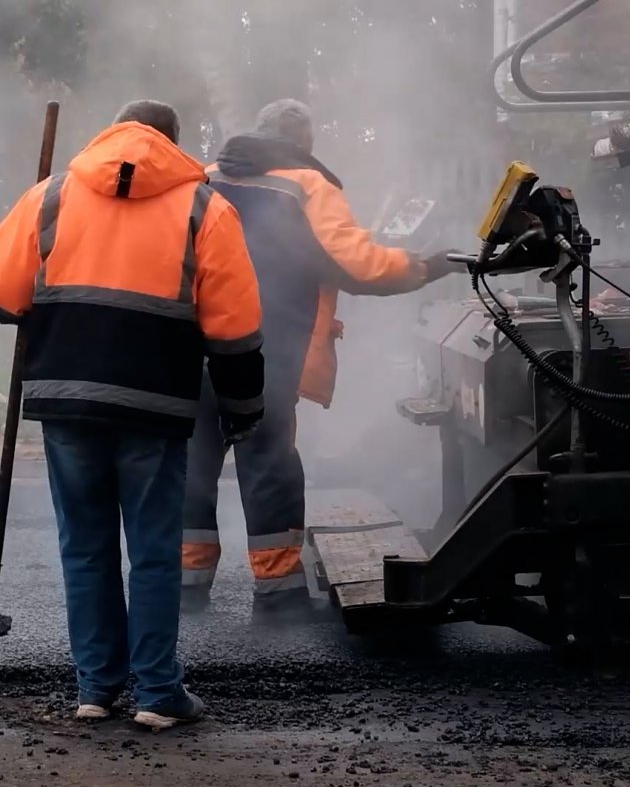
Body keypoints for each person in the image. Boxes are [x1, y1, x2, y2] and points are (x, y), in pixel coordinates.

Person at [0, 100, 265, 730]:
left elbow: (3, 294)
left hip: (67, 397)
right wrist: (242, 408)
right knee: (155, 551)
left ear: (111, 132)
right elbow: (236, 329)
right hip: (154, 403)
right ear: (173, 143)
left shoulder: (50, 196)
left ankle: (96, 689)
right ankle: (158, 696)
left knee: (84, 547)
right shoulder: (204, 209)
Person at [180, 99, 464, 620]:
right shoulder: (308, 186)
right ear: (303, 142)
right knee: (266, 457)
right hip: (265, 345)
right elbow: (359, 266)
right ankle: (278, 596)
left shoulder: (201, 177)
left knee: (191, 458)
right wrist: (428, 264)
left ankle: (185, 586)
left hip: (187, 341)